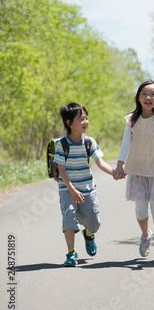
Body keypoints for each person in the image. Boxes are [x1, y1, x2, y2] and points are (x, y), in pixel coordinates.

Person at [114, 80, 154, 263]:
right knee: (141, 211)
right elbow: (126, 142)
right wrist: (119, 164)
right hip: (138, 169)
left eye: (153, 94)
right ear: (138, 97)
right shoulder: (132, 119)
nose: (148, 97)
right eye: (144, 94)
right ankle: (145, 234)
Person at [54, 102, 116, 267]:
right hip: (67, 189)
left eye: (86, 118)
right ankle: (71, 253)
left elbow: (100, 163)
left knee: (95, 223)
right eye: (81, 119)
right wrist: (72, 190)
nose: (85, 122)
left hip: (88, 189)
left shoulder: (89, 142)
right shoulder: (62, 145)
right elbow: (62, 171)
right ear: (69, 123)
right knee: (69, 219)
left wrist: (114, 173)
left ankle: (88, 234)